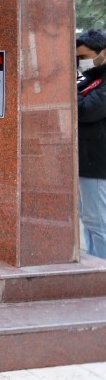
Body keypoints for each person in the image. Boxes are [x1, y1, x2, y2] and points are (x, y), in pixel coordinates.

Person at [76, 30, 106, 258]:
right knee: (89, 221)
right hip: (85, 162)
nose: (79, 63)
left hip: (98, 165)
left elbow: (85, 111)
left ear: (103, 52)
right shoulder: (91, 79)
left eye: (83, 56)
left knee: (99, 225)